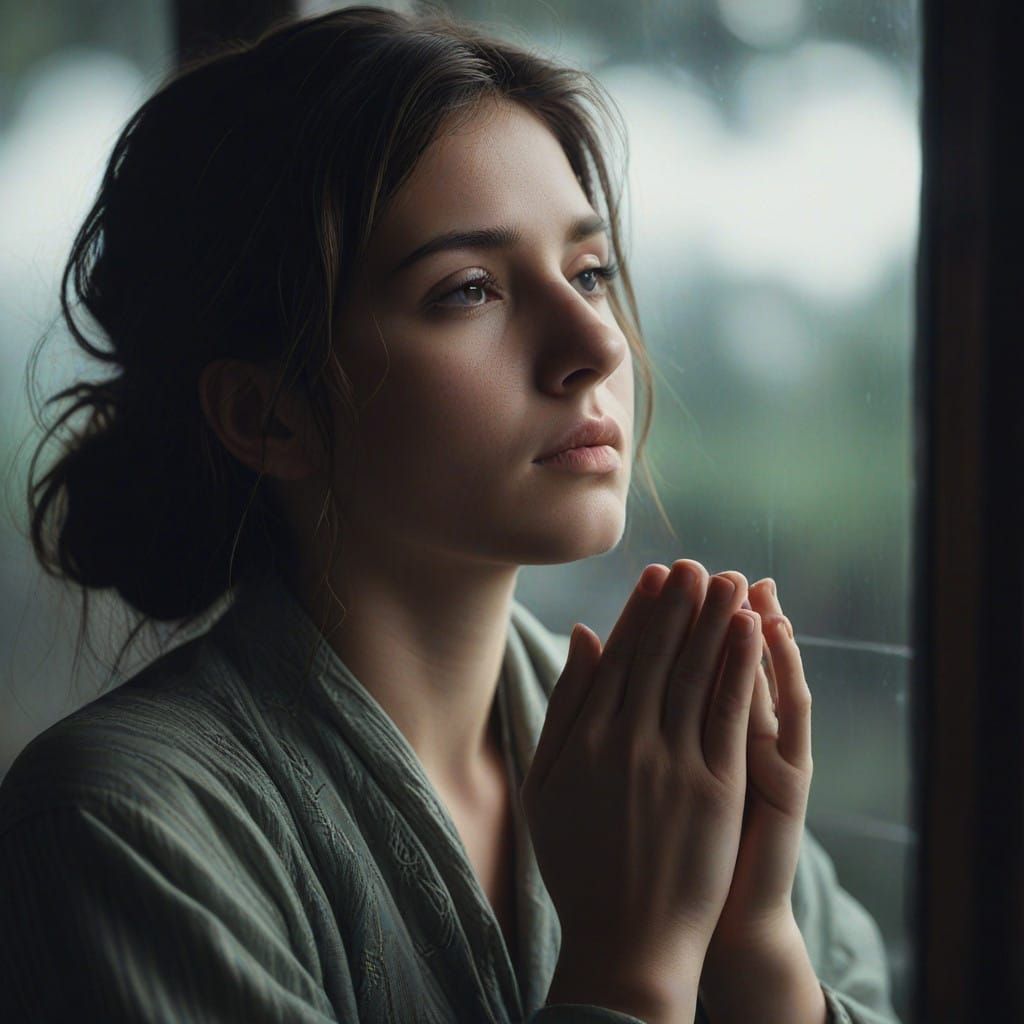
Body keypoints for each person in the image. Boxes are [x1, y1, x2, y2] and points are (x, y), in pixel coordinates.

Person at [0, 5, 899, 1023]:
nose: (594, 344)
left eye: (590, 271)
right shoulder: (114, 826)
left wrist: (757, 948)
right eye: (469, 290)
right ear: (269, 413)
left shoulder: (669, 755)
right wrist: (633, 962)